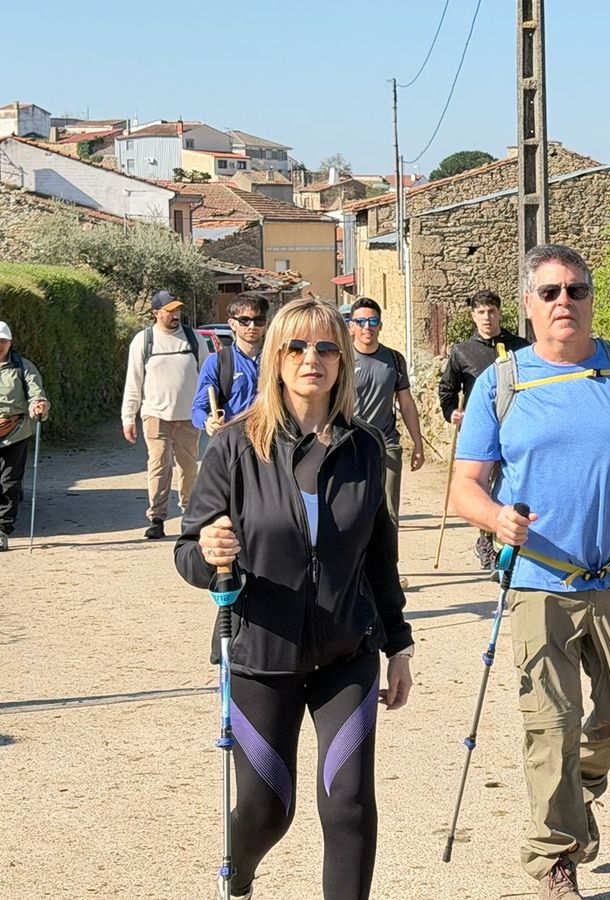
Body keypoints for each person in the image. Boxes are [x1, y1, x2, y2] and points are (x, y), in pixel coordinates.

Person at [451, 244, 610, 899]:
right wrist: (495, 518)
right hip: (538, 580)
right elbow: (465, 487)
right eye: (551, 292)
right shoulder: (500, 383)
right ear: (530, 307)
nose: (565, 301)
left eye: (577, 290)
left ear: (592, 298)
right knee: (551, 723)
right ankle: (555, 859)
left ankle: (578, 788)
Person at [175, 298, 414, 900]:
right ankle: (241, 874)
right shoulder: (233, 446)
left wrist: (399, 644)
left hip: (346, 652)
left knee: (350, 804)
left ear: (342, 361)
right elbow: (187, 550)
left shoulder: (364, 448)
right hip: (260, 652)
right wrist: (209, 553)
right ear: (277, 359)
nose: (314, 359)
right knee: (264, 811)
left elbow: (379, 558)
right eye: (298, 347)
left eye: (328, 347)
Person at [437, 289, 530, 569]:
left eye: (491, 311)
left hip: (516, 425)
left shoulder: (522, 347)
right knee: (482, 486)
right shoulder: (462, 351)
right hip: (480, 430)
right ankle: (486, 539)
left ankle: (513, 540)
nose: (487, 317)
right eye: (481, 312)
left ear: (500, 313)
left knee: (515, 482)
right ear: (473, 316)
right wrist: (451, 410)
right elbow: (447, 388)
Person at [122, 290, 202, 539]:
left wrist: (207, 409)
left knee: (189, 468)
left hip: (188, 416)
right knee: (159, 466)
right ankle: (156, 517)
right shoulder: (143, 341)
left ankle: (189, 515)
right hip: (155, 415)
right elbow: (133, 382)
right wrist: (128, 417)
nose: (176, 315)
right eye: (170, 311)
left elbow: (208, 377)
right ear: (156, 313)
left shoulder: (193, 338)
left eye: (178, 310)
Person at [346, 297, 424, 523]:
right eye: (360, 322)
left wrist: (417, 443)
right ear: (351, 326)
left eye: (372, 321)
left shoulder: (394, 359)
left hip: (386, 443)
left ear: (380, 325)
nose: (367, 327)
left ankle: (388, 558)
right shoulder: (341, 360)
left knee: (389, 509)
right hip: (351, 443)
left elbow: (406, 403)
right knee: (354, 508)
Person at [0, 321, 50, 551]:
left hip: (15, 431)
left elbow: (35, 392)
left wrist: (39, 405)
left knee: (9, 481)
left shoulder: (23, 367)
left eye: (3, 341)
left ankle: (2, 530)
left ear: (10, 343)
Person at [192, 293, 268, 436]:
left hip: (270, 441)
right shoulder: (217, 362)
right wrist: (207, 422)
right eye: (244, 320)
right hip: (232, 443)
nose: (252, 326)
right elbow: (198, 409)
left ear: (266, 323)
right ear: (232, 324)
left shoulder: (278, 360)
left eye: (259, 320)